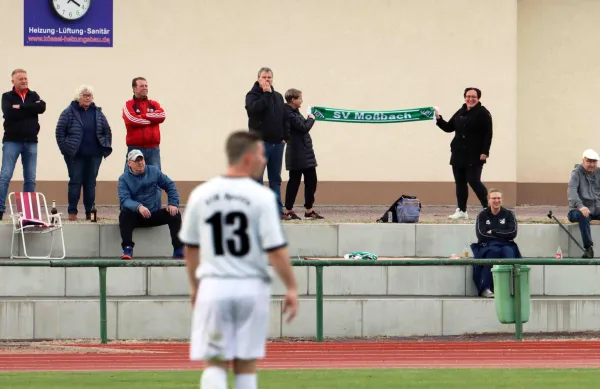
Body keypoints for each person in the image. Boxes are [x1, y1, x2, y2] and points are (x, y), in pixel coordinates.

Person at [179, 130, 298, 389]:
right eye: (260, 154)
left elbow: (190, 248)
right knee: (246, 364)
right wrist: (291, 286)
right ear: (247, 158)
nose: (263, 159)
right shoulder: (262, 197)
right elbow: (275, 250)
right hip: (250, 287)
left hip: (214, 285)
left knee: (215, 362)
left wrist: (194, 286)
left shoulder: (202, 194)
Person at [55, 85, 113, 221]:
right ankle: (72, 212)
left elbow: (107, 130)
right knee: (75, 182)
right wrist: (66, 150)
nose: (87, 98)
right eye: (84, 95)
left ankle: (90, 213)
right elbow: (59, 132)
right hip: (75, 155)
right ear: (78, 97)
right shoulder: (68, 112)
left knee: (90, 183)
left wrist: (105, 147)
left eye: (90, 95)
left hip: (94, 155)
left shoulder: (98, 112)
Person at [434, 87, 493, 220]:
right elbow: (449, 127)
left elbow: (488, 134)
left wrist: (485, 152)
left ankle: (488, 208)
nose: (470, 99)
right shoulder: (461, 111)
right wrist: (437, 117)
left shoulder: (483, 113)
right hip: (458, 153)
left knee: (473, 180)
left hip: (475, 154)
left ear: (478, 99)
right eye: (468, 96)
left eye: (474, 97)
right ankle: (461, 210)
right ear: (464, 97)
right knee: (460, 182)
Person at [118, 149, 182, 260]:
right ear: (129, 163)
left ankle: (178, 250)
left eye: (141, 159)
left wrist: (173, 203)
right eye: (136, 160)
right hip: (136, 216)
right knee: (124, 215)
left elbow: (170, 185)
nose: (140, 162)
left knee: (175, 214)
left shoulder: (154, 171)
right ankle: (127, 249)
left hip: (153, 214)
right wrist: (138, 207)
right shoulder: (124, 179)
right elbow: (125, 200)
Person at [0, 69, 46, 220]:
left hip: (31, 142)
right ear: (13, 81)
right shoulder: (7, 97)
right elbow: (8, 112)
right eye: (20, 79)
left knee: (30, 178)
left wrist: (21, 107)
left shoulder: (34, 95)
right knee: (5, 175)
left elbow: (42, 107)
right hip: (12, 141)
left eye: (26, 78)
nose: (24, 81)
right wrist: (30, 109)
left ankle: (28, 213)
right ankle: (0, 209)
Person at [245, 67, 286, 217]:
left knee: (275, 179)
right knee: (257, 178)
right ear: (258, 78)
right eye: (264, 77)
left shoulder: (278, 96)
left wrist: (285, 137)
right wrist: (266, 94)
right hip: (260, 143)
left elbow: (284, 117)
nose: (267, 80)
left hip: (277, 143)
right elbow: (254, 110)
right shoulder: (252, 95)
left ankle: (277, 210)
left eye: (270, 77)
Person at [122, 77, 166, 207]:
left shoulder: (154, 104)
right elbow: (132, 120)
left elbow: (162, 116)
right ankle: (127, 209)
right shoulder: (128, 105)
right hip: (135, 148)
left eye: (146, 86)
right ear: (134, 88)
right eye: (141, 86)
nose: (145, 88)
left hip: (153, 149)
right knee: (129, 178)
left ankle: (156, 210)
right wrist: (151, 119)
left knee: (156, 179)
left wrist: (143, 115)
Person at [471, 188, 521, 298]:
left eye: (499, 198)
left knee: (508, 252)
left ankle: (508, 288)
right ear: (489, 200)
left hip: (506, 244)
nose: (496, 201)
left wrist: (493, 231)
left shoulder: (508, 214)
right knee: (492, 253)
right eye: (494, 198)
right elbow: (481, 235)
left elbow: (512, 233)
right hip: (488, 245)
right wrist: (503, 234)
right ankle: (486, 288)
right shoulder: (482, 215)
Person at [282, 88, 323, 220]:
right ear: (293, 100)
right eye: (300, 98)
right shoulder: (289, 113)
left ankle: (308, 210)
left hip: (304, 152)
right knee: (295, 181)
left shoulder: (294, 112)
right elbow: (304, 127)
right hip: (297, 153)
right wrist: (311, 118)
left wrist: (307, 117)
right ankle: (289, 210)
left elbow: (301, 126)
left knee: (310, 181)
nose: (301, 100)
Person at [567, 149, 600, 258]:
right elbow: (572, 191)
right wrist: (580, 206)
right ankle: (588, 248)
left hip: (597, 208)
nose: (591, 164)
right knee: (583, 215)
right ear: (583, 161)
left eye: (594, 162)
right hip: (578, 210)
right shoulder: (576, 172)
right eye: (589, 161)